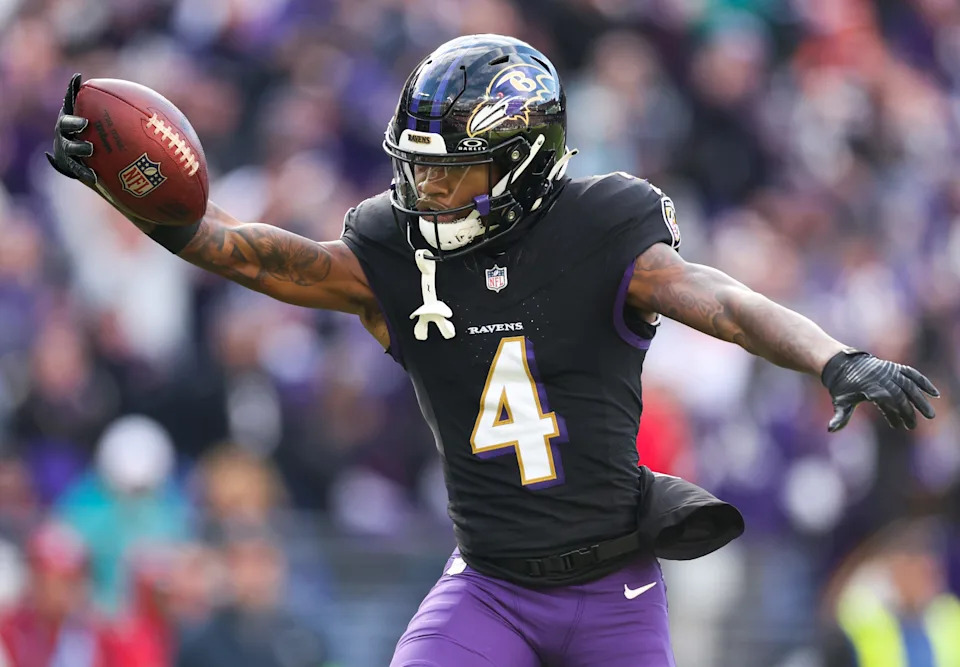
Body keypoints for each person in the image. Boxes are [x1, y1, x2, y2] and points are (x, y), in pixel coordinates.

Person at [47, 34, 940, 667]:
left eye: (451, 169)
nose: (425, 186)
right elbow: (257, 255)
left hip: (612, 594)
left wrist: (832, 355)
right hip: (490, 586)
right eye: (419, 166)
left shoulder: (603, 228)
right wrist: (139, 199)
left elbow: (724, 301)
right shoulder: (390, 250)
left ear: (525, 161)